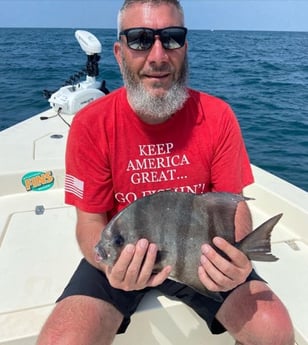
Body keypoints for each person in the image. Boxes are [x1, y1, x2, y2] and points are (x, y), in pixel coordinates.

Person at [37, 1, 294, 344]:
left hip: (203, 253)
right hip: (121, 254)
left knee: (274, 330)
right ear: (119, 52)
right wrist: (110, 267)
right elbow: (90, 222)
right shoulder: (90, 124)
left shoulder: (218, 116)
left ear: (184, 48)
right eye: (140, 39)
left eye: (171, 38)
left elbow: (236, 205)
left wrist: (234, 258)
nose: (158, 55)